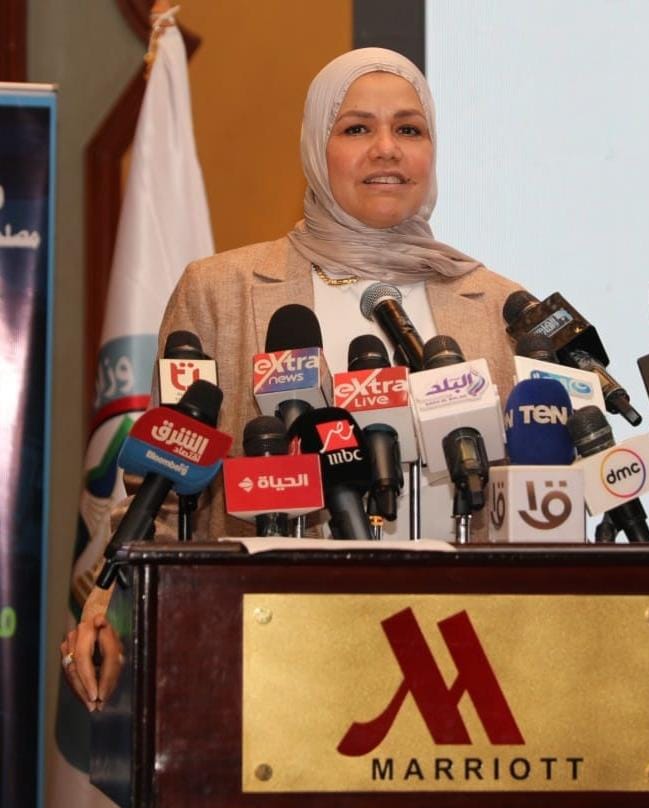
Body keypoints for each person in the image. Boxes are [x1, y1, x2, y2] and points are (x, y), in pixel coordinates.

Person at [61, 47, 525, 711]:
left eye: (409, 128)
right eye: (357, 128)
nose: (387, 149)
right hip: (264, 655)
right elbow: (162, 483)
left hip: (461, 656)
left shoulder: (499, 308)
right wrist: (109, 608)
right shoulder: (219, 290)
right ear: (315, 148)